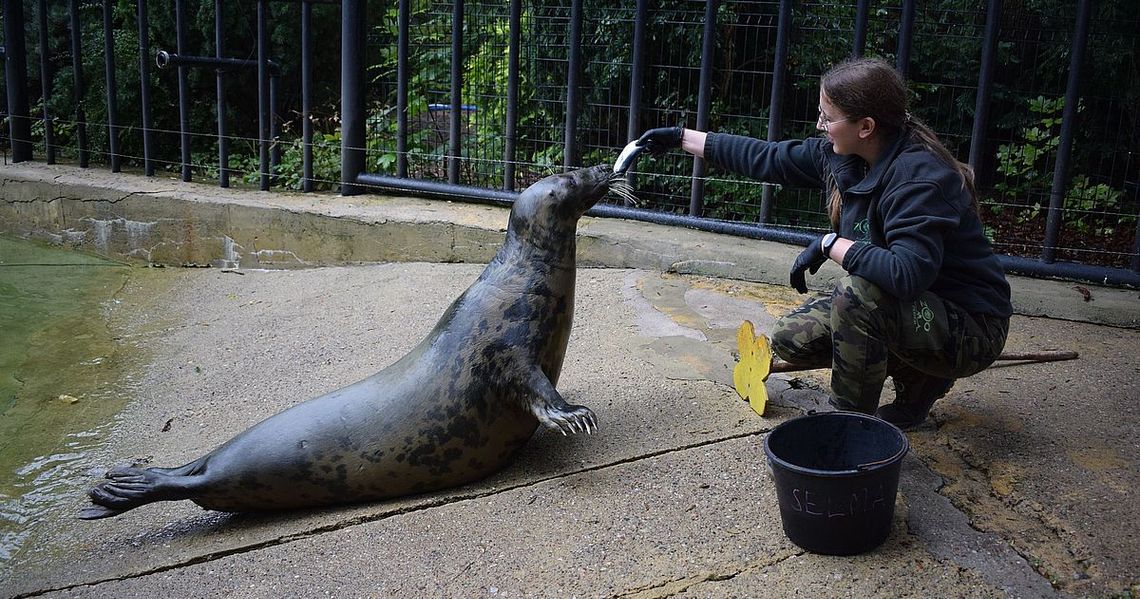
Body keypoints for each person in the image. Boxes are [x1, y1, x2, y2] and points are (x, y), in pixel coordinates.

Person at [636, 57, 1012, 429]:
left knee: (856, 298)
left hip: (970, 326)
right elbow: (767, 159)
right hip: (912, 308)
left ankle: (850, 430)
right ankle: (920, 376)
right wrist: (680, 138)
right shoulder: (843, 155)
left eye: (828, 118)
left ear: (866, 126)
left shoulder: (920, 178)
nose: (821, 126)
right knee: (793, 339)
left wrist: (830, 244)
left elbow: (907, 274)